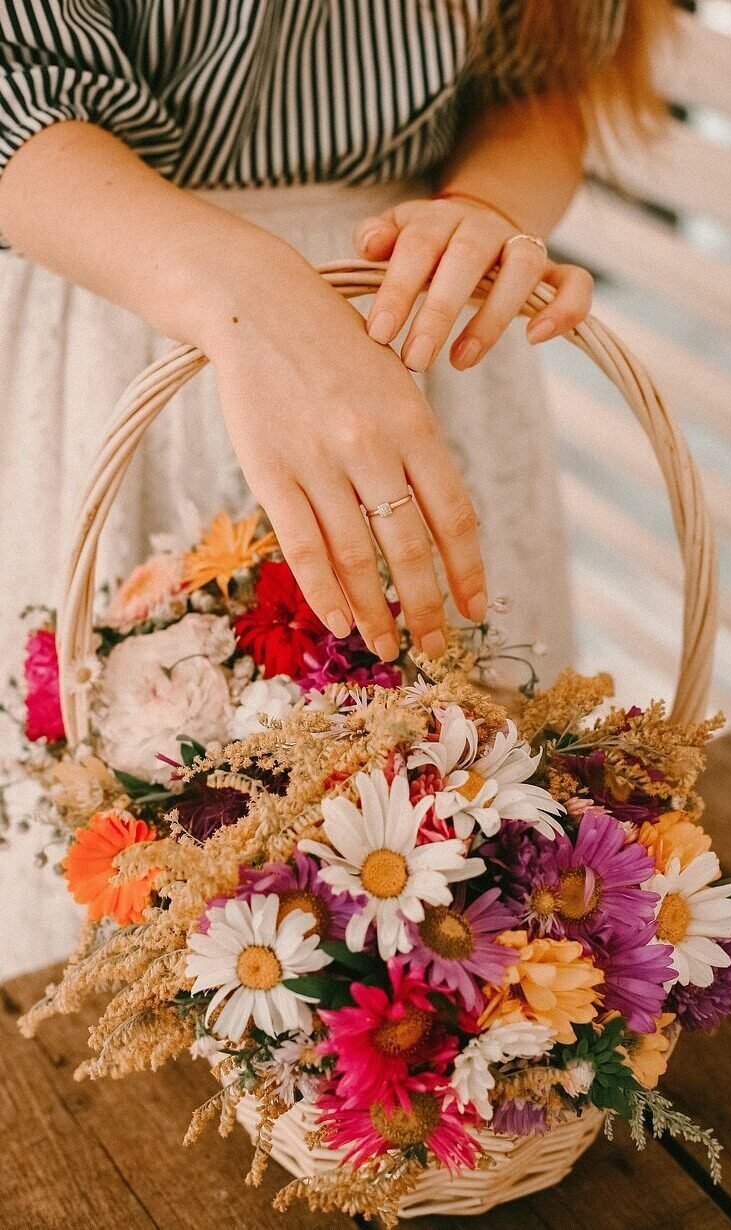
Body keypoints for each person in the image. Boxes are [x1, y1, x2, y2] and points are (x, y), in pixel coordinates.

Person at [0, 1, 670, 972]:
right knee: (138, 881)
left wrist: (484, 215)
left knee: (484, 866)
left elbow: (540, 74)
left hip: (422, 313)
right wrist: (250, 302)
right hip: (132, 300)